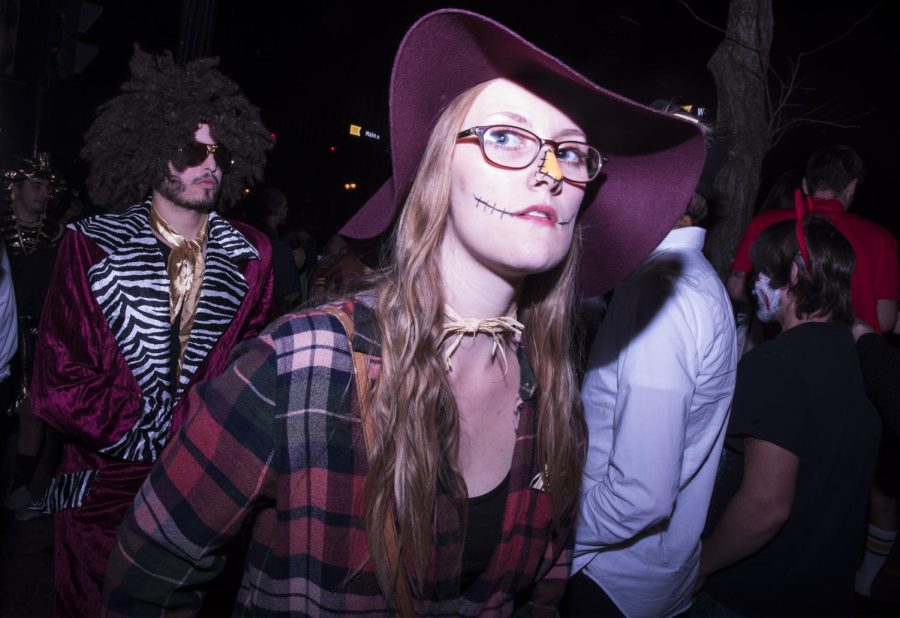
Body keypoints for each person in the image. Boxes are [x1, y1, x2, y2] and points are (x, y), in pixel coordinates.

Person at [102, 9, 706, 616]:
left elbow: (541, 592)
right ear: (437, 166)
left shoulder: (550, 393)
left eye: (572, 154)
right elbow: (145, 581)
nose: (550, 174)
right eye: (506, 137)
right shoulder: (299, 368)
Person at [30, 48, 275, 617]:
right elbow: (59, 381)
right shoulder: (90, 244)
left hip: (201, 485)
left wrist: (208, 447)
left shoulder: (253, 255)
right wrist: (160, 432)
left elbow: (251, 372)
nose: (209, 165)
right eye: (192, 150)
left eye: (218, 152)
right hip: (104, 485)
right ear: (150, 150)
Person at [565, 117, 737, 617]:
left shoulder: (663, 296)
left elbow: (640, 496)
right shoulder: (684, 281)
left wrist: (552, 538)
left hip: (609, 582)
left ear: (672, 194)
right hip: (645, 575)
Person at [697, 216, 880, 616]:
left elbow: (766, 506)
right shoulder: (864, 360)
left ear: (792, 275)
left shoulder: (776, 365)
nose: (753, 282)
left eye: (761, 271)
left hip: (755, 594)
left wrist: (701, 565)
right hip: (827, 592)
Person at [726, 145, 899, 334]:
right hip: (855, 355)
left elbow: (736, 287)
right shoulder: (881, 239)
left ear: (806, 185)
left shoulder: (765, 224)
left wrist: (769, 315)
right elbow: (885, 319)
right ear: (852, 187)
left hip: (782, 346)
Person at [0, 153, 65, 521]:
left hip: (39, 337)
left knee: (33, 415)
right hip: (2, 334)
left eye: (47, 188)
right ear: (14, 190)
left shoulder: (57, 239)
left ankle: (19, 488)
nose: (44, 194)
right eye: (36, 186)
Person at [241, 186, 301, 314]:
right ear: (277, 210)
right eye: (285, 206)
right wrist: (295, 266)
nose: (287, 210)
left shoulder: (245, 237)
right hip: (270, 318)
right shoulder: (277, 247)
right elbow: (290, 293)